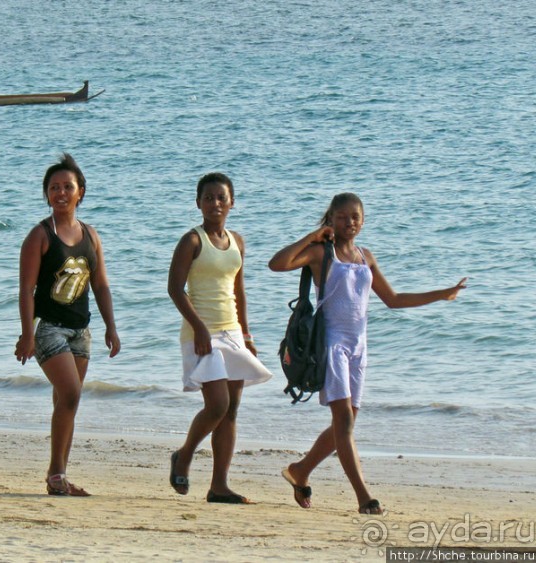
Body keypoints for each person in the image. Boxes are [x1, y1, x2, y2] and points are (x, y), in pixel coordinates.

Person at [268, 192, 467, 515]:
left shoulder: (365, 256)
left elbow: (394, 299)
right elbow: (277, 264)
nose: (349, 222)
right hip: (331, 344)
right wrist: (312, 237)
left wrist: (442, 294)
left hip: (358, 347)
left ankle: (300, 471)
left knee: (346, 423)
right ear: (331, 220)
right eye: (342, 217)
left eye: (355, 217)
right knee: (344, 421)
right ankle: (364, 497)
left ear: (363, 221)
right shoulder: (321, 253)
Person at [15, 153, 121, 496]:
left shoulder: (91, 235)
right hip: (49, 328)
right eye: (54, 188)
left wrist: (111, 327)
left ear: (80, 192)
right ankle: (56, 473)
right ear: (47, 194)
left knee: (66, 401)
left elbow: (101, 285)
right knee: (71, 394)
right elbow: (26, 289)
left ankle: (58, 475)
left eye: (67, 187)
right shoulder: (40, 235)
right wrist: (27, 334)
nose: (60, 193)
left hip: (81, 331)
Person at [167, 172, 272, 504]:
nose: (215, 203)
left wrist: (246, 333)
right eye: (208, 198)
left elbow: (238, 290)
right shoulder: (192, 241)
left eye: (221, 198)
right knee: (217, 405)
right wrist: (199, 327)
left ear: (232, 203)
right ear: (198, 203)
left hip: (232, 331)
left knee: (231, 410)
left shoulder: (237, 241)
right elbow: (175, 289)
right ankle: (184, 454)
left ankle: (219, 486)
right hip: (202, 332)